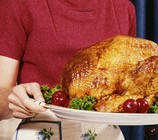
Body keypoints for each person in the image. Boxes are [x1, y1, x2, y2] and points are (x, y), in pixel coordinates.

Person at [0, 0, 136, 139]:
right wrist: (14, 100)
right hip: (42, 131)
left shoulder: (124, 8)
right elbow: (2, 97)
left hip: (106, 134)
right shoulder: (17, 4)